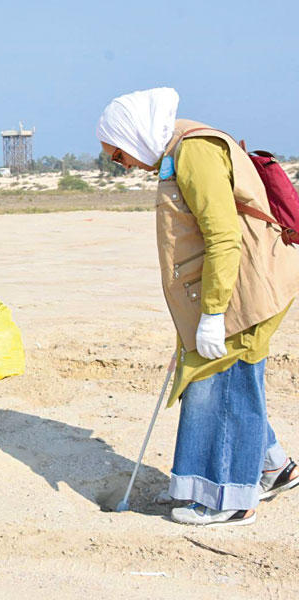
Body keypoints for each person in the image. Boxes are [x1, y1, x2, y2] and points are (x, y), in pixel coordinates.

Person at [96, 88, 299, 526]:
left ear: (133, 135)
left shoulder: (195, 152)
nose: (122, 165)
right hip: (232, 289)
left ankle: (228, 499)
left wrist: (212, 314)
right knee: (228, 380)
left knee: (220, 385)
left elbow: (223, 236)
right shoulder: (176, 151)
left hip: (245, 291)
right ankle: (273, 467)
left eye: (118, 154)